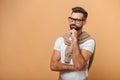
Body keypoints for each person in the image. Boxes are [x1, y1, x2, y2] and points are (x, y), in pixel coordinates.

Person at [50, 6, 96, 80]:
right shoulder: (61, 40)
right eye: (71, 19)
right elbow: (53, 66)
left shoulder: (89, 41)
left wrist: (75, 39)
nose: (73, 22)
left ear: (84, 22)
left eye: (77, 20)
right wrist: (74, 67)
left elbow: (79, 64)